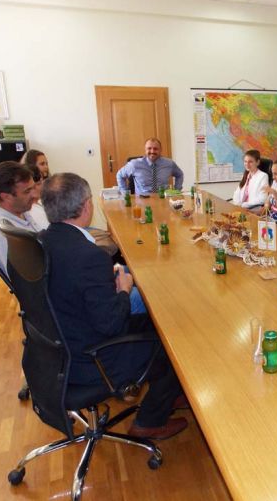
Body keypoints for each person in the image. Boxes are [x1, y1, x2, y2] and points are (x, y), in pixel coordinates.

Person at [40, 173, 189, 438]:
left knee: (158, 321)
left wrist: (105, 283)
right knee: (173, 341)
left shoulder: (45, 240)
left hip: (60, 348)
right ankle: (149, 421)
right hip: (91, 358)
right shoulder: (89, 256)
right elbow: (112, 324)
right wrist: (123, 289)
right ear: (86, 206)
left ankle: (170, 393)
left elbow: (77, 287)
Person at [0, 161, 41, 276]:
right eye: (27, 191)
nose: (35, 195)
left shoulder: (21, 210)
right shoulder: (0, 233)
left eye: (33, 188)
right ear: (6, 197)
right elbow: (25, 277)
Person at [116, 138, 183, 195]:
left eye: (155, 149)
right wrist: (125, 194)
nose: (152, 151)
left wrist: (177, 190)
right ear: (145, 150)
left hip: (163, 198)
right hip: (142, 200)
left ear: (160, 150)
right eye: (149, 148)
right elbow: (120, 175)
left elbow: (179, 174)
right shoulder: (134, 164)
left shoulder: (169, 164)